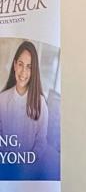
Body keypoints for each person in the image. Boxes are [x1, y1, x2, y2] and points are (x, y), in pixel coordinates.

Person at [0, 40, 50, 178]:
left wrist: (27, 168)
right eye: (20, 64)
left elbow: (41, 143)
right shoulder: (2, 100)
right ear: (14, 65)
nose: (23, 72)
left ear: (34, 71)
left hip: (29, 173)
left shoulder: (41, 104)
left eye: (29, 67)